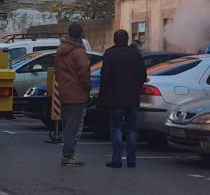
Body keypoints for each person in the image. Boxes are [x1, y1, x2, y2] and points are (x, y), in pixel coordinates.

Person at [98, 29, 146, 169]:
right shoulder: (136, 54)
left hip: (114, 97)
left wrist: (102, 98)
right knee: (131, 129)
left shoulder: (110, 54)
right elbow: (143, 75)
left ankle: (117, 159)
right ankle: (131, 160)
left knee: (116, 127)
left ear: (115, 40)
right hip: (132, 97)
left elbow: (105, 78)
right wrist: (135, 88)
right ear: (127, 39)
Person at [55, 22, 91, 167]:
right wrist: (88, 88)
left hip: (63, 91)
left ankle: (67, 154)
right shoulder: (79, 52)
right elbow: (84, 73)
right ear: (81, 35)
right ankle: (68, 155)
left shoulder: (60, 50)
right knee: (74, 126)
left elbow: (57, 70)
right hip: (77, 93)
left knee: (67, 124)